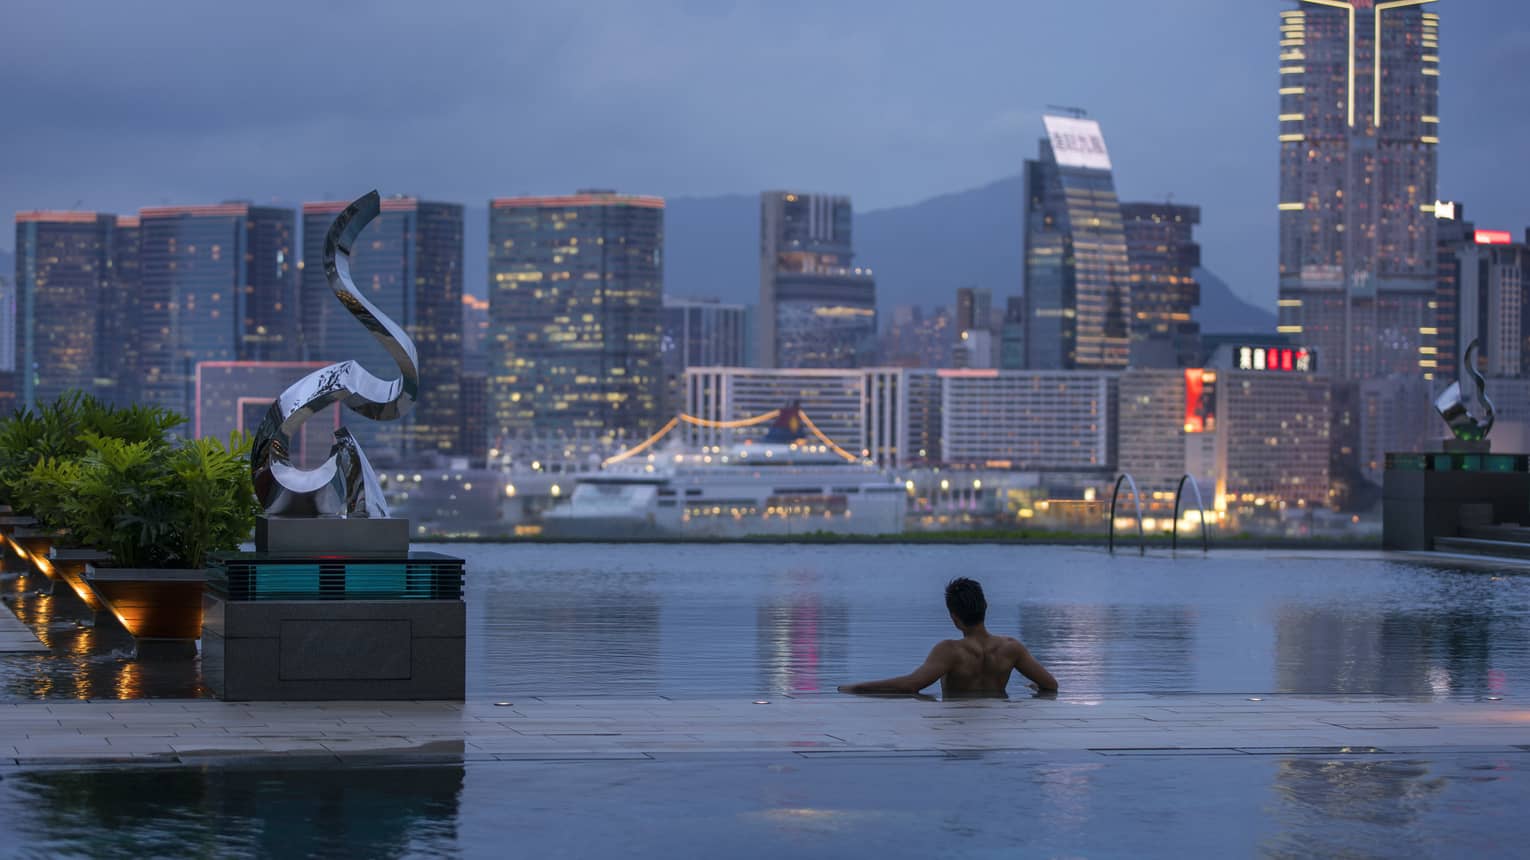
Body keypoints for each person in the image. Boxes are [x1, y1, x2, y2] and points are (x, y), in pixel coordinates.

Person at [837, 577, 1057, 697]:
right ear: (986, 607)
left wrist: (856, 688)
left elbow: (910, 685)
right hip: (996, 723)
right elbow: (1050, 685)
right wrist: (1036, 689)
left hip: (957, 722)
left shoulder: (951, 651)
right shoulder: (1011, 648)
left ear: (953, 617)